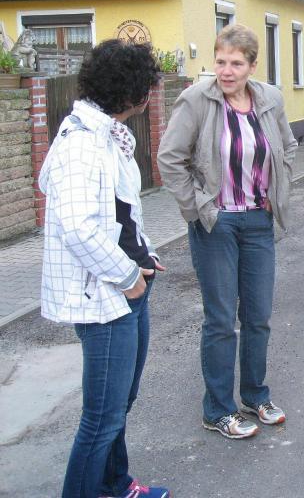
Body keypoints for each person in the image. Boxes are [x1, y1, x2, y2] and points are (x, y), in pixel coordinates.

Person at [40, 40, 170, 498]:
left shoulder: (107, 136)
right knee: (101, 419)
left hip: (127, 288)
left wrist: (145, 253)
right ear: (132, 92)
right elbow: (77, 227)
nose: (151, 96)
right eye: (148, 87)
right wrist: (129, 276)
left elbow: (121, 210)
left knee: (119, 405)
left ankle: (116, 485)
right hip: (106, 298)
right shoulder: (82, 143)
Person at [157, 24, 297, 440]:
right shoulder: (196, 100)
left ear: (252, 65)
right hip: (216, 223)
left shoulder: (269, 99)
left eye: (236, 63)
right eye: (220, 62)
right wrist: (197, 207)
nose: (226, 71)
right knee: (220, 319)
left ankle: (255, 395)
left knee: (258, 316)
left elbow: (288, 147)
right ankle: (217, 410)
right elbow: (170, 158)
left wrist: (276, 191)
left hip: (257, 221)